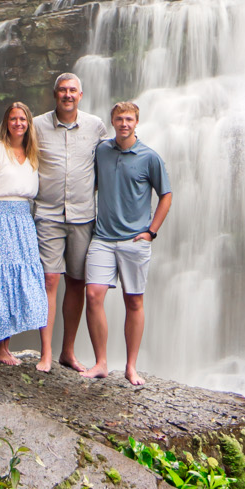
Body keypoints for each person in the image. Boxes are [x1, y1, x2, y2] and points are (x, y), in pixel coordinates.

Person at [82, 101, 172, 388]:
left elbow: (166, 195)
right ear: (112, 122)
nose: (124, 123)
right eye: (119, 119)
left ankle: (131, 367)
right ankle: (101, 363)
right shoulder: (102, 152)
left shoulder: (150, 158)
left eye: (129, 119)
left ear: (136, 122)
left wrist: (151, 231)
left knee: (134, 301)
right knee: (94, 295)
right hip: (103, 238)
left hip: (135, 240)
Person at [32, 71, 105, 373]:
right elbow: (11, 154)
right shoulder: (36, 125)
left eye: (72, 90)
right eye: (62, 90)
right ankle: (46, 353)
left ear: (81, 95)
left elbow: (109, 164)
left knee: (77, 281)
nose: (67, 95)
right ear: (54, 94)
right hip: (47, 214)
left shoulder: (96, 127)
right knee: (50, 280)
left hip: (83, 215)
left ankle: (68, 352)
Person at [0, 101, 48, 365]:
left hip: (23, 220)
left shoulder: (32, 153)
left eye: (23, 119)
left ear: (28, 124)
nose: (18, 123)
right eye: (13, 119)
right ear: (6, 122)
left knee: (20, 277)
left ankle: (4, 345)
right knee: (1, 277)